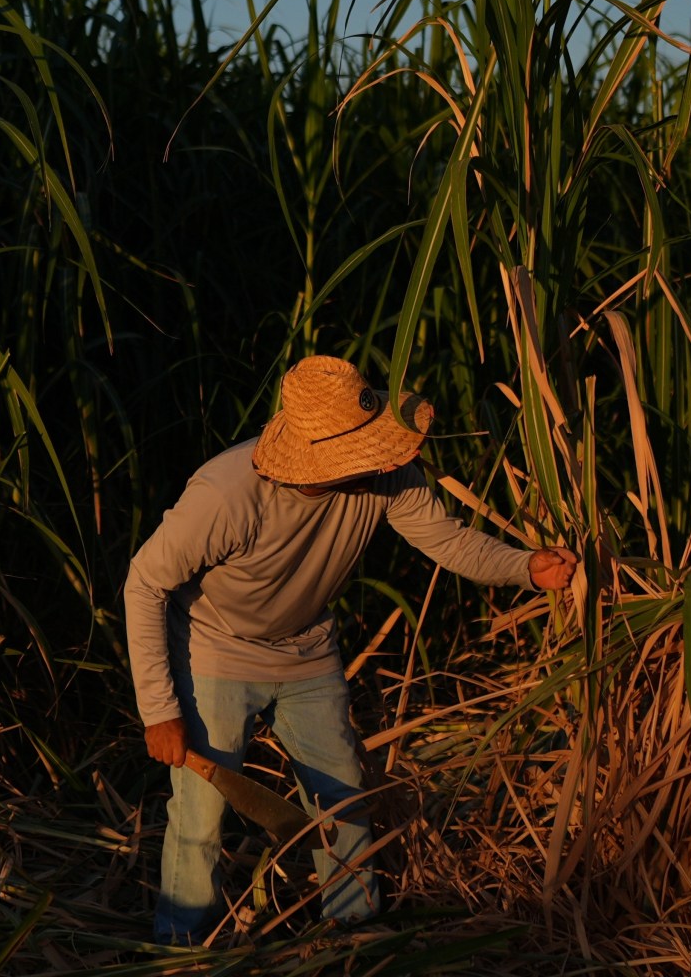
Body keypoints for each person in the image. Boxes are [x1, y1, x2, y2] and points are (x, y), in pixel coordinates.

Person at [124, 355, 578, 944]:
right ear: (320, 459)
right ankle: (181, 945)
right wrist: (159, 709)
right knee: (200, 815)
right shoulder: (226, 492)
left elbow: (447, 540)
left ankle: (352, 936)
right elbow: (144, 583)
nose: (390, 457)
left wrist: (525, 567)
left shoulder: (385, 472)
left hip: (308, 652)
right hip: (216, 651)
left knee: (342, 799)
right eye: (367, 452)